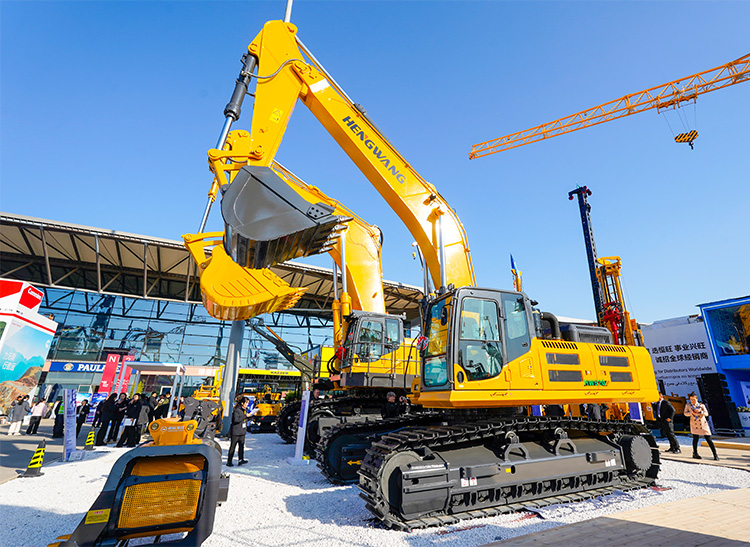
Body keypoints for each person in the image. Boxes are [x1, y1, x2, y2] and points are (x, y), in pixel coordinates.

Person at [684, 392, 718, 460]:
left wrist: (700, 411)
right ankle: (695, 453)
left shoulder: (701, 405)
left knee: (708, 439)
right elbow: (685, 413)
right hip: (694, 424)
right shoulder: (688, 405)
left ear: (696, 399)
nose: (692, 401)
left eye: (694, 399)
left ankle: (715, 454)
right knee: (695, 439)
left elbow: (706, 414)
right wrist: (691, 413)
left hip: (702, 424)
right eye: (691, 399)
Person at [227, 397, 249, 467]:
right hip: (236, 432)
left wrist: (250, 416)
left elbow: (245, 418)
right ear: (242, 403)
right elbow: (236, 420)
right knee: (233, 447)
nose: (247, 405)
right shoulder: (237, 410)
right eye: (246, 403)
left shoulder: (245, 410)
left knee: (241, 446)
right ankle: (229, 461)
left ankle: (241, 459)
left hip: (242, 431)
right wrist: (245, 416)